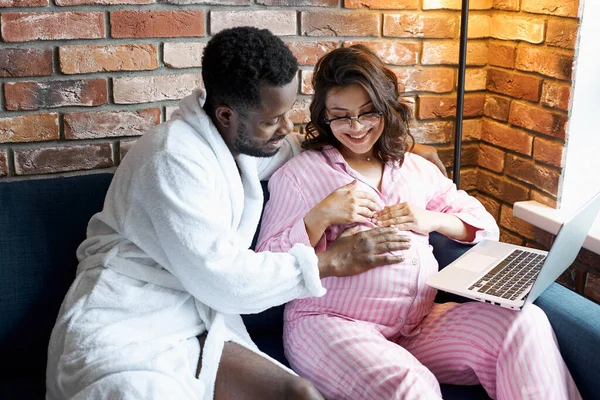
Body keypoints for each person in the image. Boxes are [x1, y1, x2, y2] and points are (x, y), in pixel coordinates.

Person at [45, 28, 446, 400]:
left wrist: (401, 151)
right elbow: (224, 280)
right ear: (226, 115)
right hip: (128, 318)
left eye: (288, 113)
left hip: (199, 320)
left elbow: (305, 148)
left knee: (299, 394)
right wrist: (330, 261)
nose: (287, 128)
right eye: (273, 120)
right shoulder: (172, 160)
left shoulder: (243, 141)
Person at [256, 44, 582, 400]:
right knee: (413, 388)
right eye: (341, 115)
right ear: (324, 117)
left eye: (368, 113)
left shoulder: (414, 169)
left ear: (386, 108)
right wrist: (319, 217)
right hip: (329, 324)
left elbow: (485, 225)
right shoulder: (299, 175)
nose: (356, 127)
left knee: (525, 322)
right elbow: (265, 263)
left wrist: (432, 219)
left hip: (418, 325)